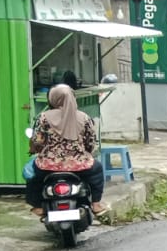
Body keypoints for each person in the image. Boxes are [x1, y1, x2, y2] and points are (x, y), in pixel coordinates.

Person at [27, 84, 107, 218]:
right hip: (80, 165)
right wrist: (87, 151)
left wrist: (36, 150)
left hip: (48, 165)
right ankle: (96, 204)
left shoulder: (43, 117)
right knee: (97, 170)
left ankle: (38, 206)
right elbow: (91, 141)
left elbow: (38, 141)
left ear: (52, 99)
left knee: (33, 176)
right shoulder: (84, 117)